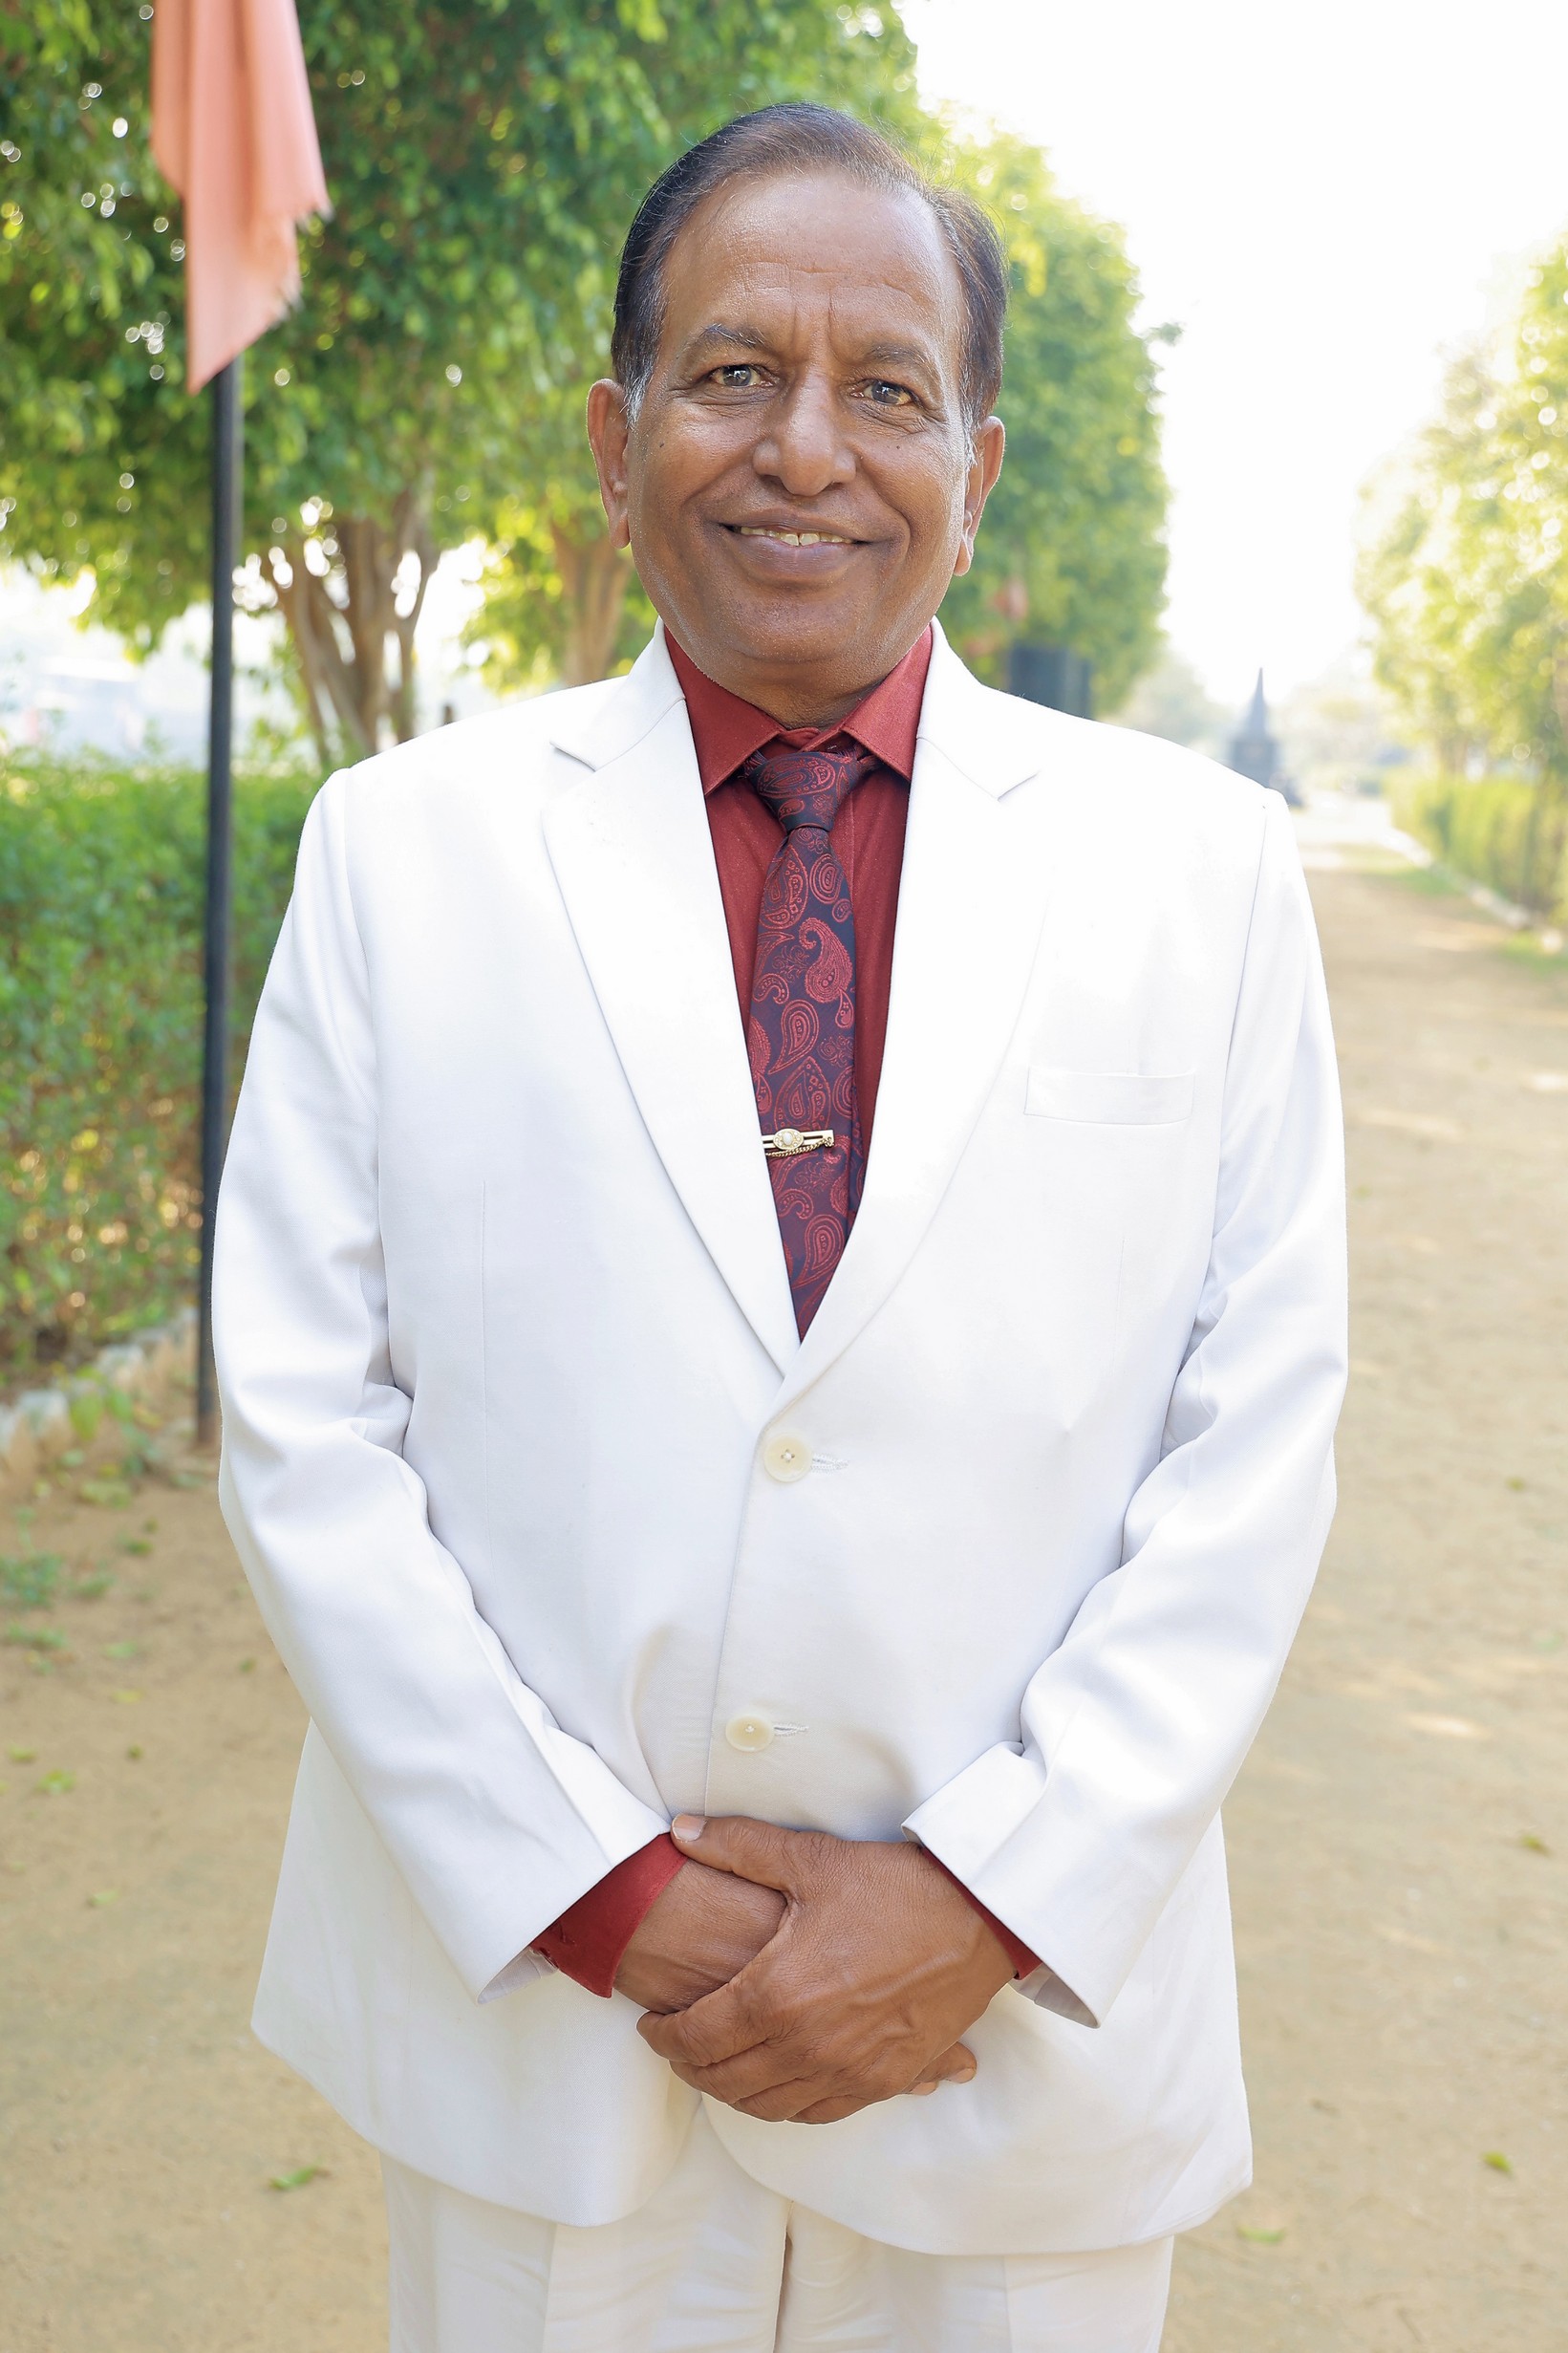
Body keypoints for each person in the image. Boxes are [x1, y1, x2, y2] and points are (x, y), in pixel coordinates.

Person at [216, 101, 1346, 2353]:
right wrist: (595, 1890)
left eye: (884, 389)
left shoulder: (1201, 878)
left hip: (1005, 2059)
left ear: (975, 466)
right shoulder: (400, 853)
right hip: (551, 2049)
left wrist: (985, 1902)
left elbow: (1254, 1443)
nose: (803, 449)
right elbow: (303, 1424)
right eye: (733, 373)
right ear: (615, 434)